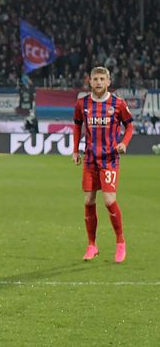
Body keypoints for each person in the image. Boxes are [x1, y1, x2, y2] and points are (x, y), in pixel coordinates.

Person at [72, 66, 133, 263]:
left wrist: (124, 142)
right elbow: (77, 125)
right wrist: (75, 150)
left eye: (102, 79)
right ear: (89, 81)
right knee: (89, 200)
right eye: (95, 79)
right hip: (90, 158)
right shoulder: (83, 103)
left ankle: (120, 242)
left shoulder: (118, 103)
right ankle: (92, 245)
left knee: (108, 201)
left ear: (108, 82)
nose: (98, 82)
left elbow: (129, 125)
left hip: (109, 159)